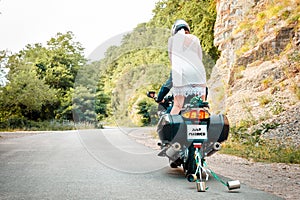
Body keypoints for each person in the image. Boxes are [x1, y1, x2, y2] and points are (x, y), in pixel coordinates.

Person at [156, 19, 207, 115]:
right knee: (200, 106)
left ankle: (172, 129)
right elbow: (199, 57)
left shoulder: (172, 40)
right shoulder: (195, 38)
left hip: (181, 72)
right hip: (198, 73)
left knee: (177, 106)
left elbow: (172, 59)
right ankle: (200, 129)